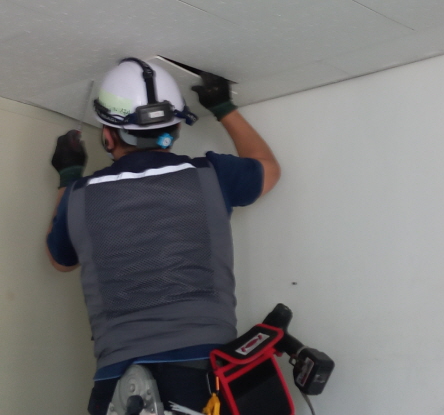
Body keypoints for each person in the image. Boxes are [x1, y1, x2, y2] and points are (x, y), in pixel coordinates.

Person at [45, 58, 280, 415]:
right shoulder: (211, 175)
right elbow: (269, 169)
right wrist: (223, 107)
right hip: (201, 371)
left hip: (117, 375)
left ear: (107, 136)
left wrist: (69, 176)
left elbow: (60, 260)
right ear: (176, 127)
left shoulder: (79, 197)